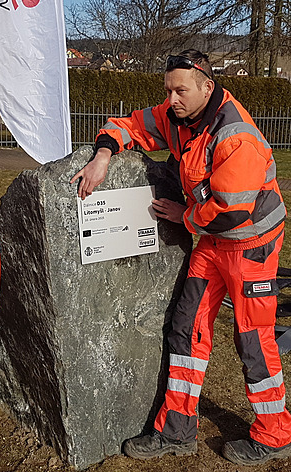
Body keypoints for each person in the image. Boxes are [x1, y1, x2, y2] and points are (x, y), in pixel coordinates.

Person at [71, 50, 291, 466]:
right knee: (187, 326)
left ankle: (276, 433)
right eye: (168, 89)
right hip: (212, 242)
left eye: (180, 90)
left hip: (250, 245)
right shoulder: (179, 116)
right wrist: (102, 156)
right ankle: (176, 429)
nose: (172, 99)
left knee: (253, 339)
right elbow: (130, 125)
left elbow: (231, 210)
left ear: (207, 87)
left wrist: (186, 216)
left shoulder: (234, 135)